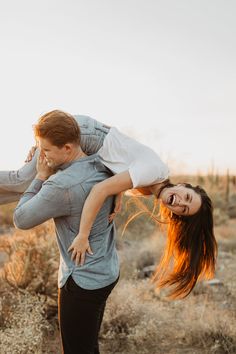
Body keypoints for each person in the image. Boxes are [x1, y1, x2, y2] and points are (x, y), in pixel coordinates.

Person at [2, 110, 217, 299]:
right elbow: (100, 189)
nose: (179, 202)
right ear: (184, 185)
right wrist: (83, 235)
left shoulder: (152, 182)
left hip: (88, 133)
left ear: (177, 215)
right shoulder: (154, 171)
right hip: (86, 135)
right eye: (186, 197)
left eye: (184, 210)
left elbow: (117, 169)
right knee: (23, 181)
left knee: (29, 187)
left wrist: (119, 193)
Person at [13, 111, 120, 354]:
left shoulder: (60, 186)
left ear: (68, 148)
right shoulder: (103, 161)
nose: (43, 155)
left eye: (47, 150)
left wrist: (40, 177)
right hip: (107, 270)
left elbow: (21, 219)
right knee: (88, 345)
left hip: (81, 282)